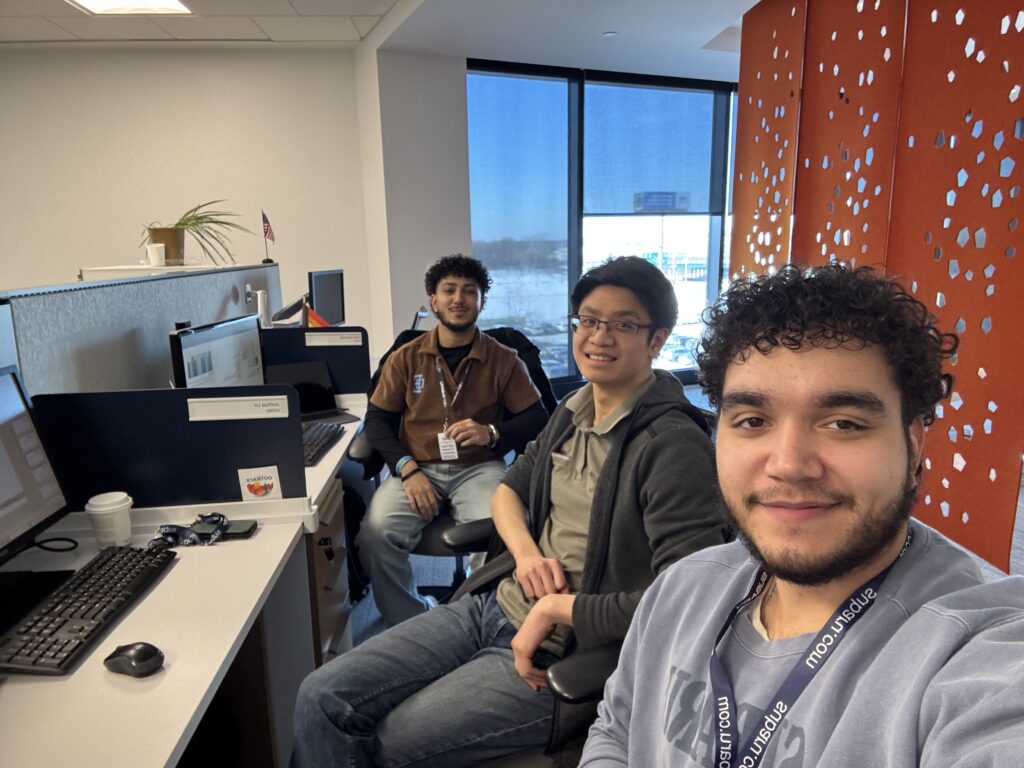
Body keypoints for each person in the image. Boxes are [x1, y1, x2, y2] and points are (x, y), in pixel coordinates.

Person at [580, 263, 1024, 767]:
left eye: (843, 423)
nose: (789, 464)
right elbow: (617, 730)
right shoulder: (682, 590)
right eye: (752, 421)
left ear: (914, 440)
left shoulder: (977, 646)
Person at [292, 256, 729, 767]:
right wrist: (523, 555)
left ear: (657, 339)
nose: (599, 337)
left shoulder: (672, 446)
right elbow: (509, 491)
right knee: (320, 695)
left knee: (382, 741)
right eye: (588, 320)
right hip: (493, 604)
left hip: (565, 648)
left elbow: (689, 597)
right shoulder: (576, 407)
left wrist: (554, 609)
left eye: (623, 325)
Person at [357, 254, 547, 627]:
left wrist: (492, 433)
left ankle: (477, 620)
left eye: (469, 292)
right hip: (416, 466)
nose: (459, 299)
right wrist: (407, 469)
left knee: (499, 533)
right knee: (375, 534)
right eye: (449, 291)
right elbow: (377, 420)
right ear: (434, 300)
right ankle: (412, 622)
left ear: (481, 302)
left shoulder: (504, 359)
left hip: (479, 467)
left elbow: (538, 417)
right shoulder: (405, 357)